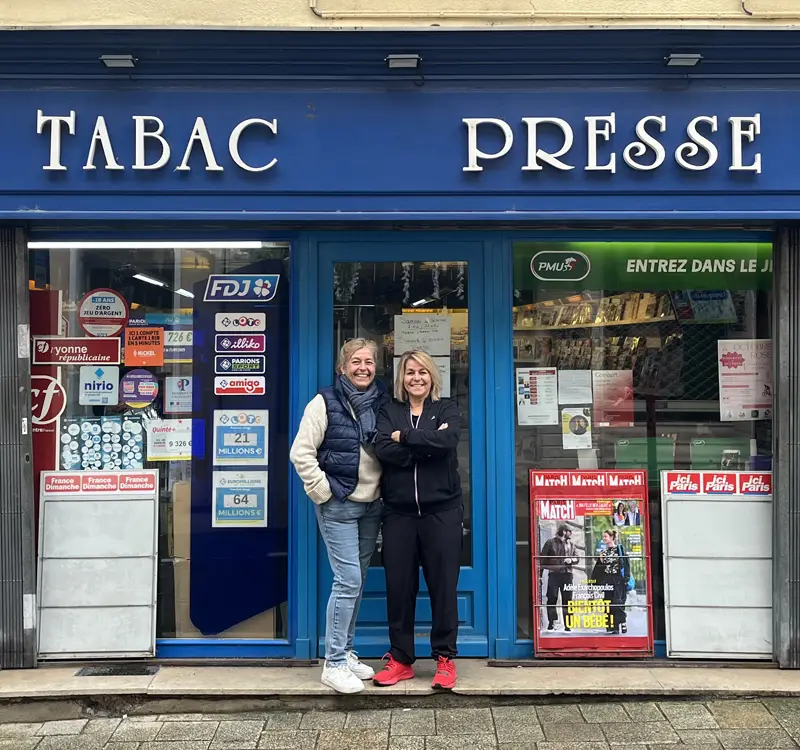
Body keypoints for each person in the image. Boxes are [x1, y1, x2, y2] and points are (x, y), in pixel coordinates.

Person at [289, 338, 387, 694]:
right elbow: (301, 452)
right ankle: (332, 663)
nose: (363, 367)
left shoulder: (382, 401)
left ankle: (344, 653)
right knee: (347, 581)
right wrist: (322, 491)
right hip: (339, 505)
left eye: (369, 362)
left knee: (357, 580)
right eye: (356, 361)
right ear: (342, 367)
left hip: (372, 504)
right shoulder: (324, 402)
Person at [372, 349, 463, 690]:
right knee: (399, 588)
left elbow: (449, 440)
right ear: (401, 378)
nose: (416, 378)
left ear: (432, 376)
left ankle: (444, 658)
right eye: (410, 372)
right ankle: (401, 659)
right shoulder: (388, 410)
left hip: (442, 511)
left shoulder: (447, 408)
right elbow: (384, 449)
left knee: (443, 588)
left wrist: (406, 437)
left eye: (423, 372)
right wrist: (426, 446)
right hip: (399, 514)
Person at [540, 524, 579, 632]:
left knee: (568, 600)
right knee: (552, 598)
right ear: (564, 531)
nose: (571, 533)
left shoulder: (571, 544)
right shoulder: (550, 542)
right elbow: (542, 559)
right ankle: (552, 623)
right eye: (569, 531)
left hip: (567, 574)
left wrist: (571, 560)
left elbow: (577, 557)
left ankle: (568, 625)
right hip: (554, 574)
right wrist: (539, 576)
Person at [591, 529, 630, 635]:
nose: (603, 538)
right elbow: (598, 568)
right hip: (607, 580)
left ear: (612, 537)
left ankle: (622, 622)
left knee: (617, 602)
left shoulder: (620, 549)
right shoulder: (603, 552)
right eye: (603, 537)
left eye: (605, 536)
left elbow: (626, 564)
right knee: (607, 602)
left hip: (618, 579)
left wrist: (626, 578)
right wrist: (593, 583)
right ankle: (613, 626)